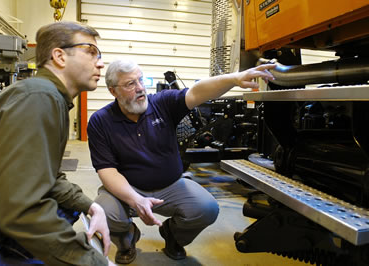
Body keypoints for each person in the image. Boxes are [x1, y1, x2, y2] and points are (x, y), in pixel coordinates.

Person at [87, 58, 275, 264]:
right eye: (130, 84)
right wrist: (136, 200)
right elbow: (107, 171)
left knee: (207, 208)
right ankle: (126, 239)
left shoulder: (162, 103)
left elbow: (196, 92)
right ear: (113, 91)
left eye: (141, 80)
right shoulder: (100, 121)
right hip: (128, 189)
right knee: (103, 211)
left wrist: (235, 78)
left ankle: (173, 236)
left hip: (171, 186)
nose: (140, 88)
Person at [0, 21, 115, 265]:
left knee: (70, 208)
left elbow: (47, 177)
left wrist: (92, 207)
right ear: (59, 56)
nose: (100, 62)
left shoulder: (46, 95)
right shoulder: (39, 98)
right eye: (91, 52)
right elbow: (23, 211)